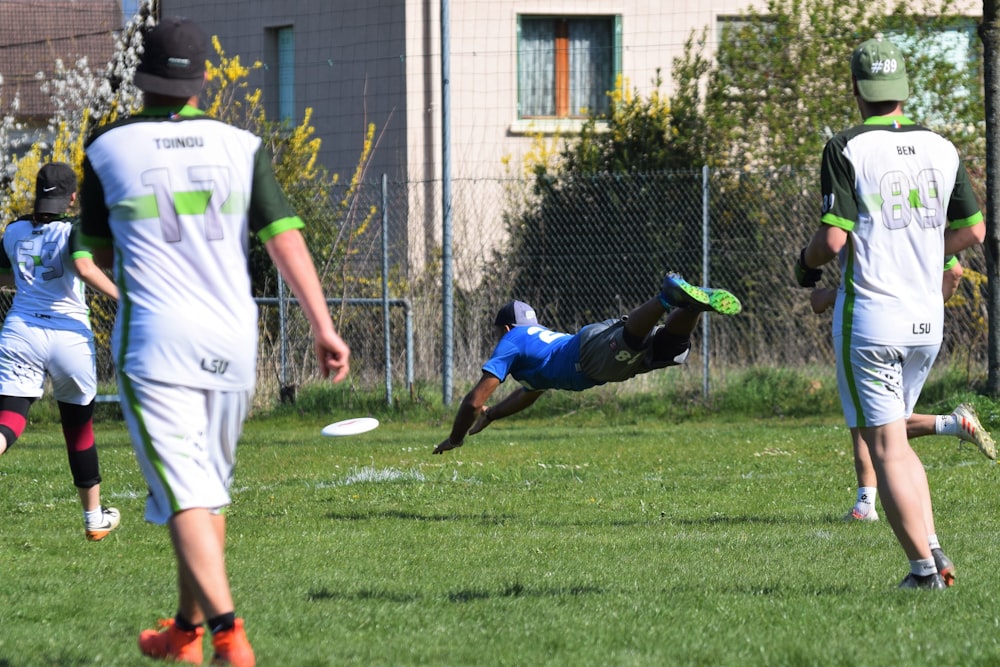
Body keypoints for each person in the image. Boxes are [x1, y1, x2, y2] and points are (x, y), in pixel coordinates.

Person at [79, 17, 350, 666]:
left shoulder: (105, 149)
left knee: (187, 495)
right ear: (204, 82)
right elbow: (283, 235)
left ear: (137, 79)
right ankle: (184, 631)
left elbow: (91, 251)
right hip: (233, 340)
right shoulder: (242, 145)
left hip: (156, 343)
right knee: (204, 492)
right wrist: (322, 323)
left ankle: (229, 634)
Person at [794, 36, 986, 590]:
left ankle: (924, 571)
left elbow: (831, 241)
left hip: (872, 318)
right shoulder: (942, 146)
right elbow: (972, 230)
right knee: (896, 441)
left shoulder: (846, 147)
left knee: (883, 446)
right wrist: (930, 252)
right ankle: (932, 546)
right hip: (928, 319)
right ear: (903, 89)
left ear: (856, 89)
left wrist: (802, 267)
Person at [433, 272, 740, 455]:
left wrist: (455, 438)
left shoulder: (512, 340)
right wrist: (494, 415)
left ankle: (666, 298)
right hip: (595, 354)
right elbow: (530, 390)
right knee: (670, 348)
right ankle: (693, 304)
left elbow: (474, 401)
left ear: (506, 328)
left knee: (631, 341)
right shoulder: (539, 346)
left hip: (588, 357)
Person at [811, 261, 996, 525]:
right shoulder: (927, 226)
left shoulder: (875, 226)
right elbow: (954, 273)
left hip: (877, 332)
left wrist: (825, 292)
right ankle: (953, 423)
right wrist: (926, 309)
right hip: (924, 332)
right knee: (892, 420)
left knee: (871, 418)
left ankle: (866, 505)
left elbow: (842, 259)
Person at [0, 162, 121, 541]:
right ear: (72, 197)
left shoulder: (14, 229)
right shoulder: (74, 228)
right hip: (68, 335)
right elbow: (84, 268)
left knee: (9, 419)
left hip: (20, 331)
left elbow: (5, 276)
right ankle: (93, 519)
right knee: (78, 428)